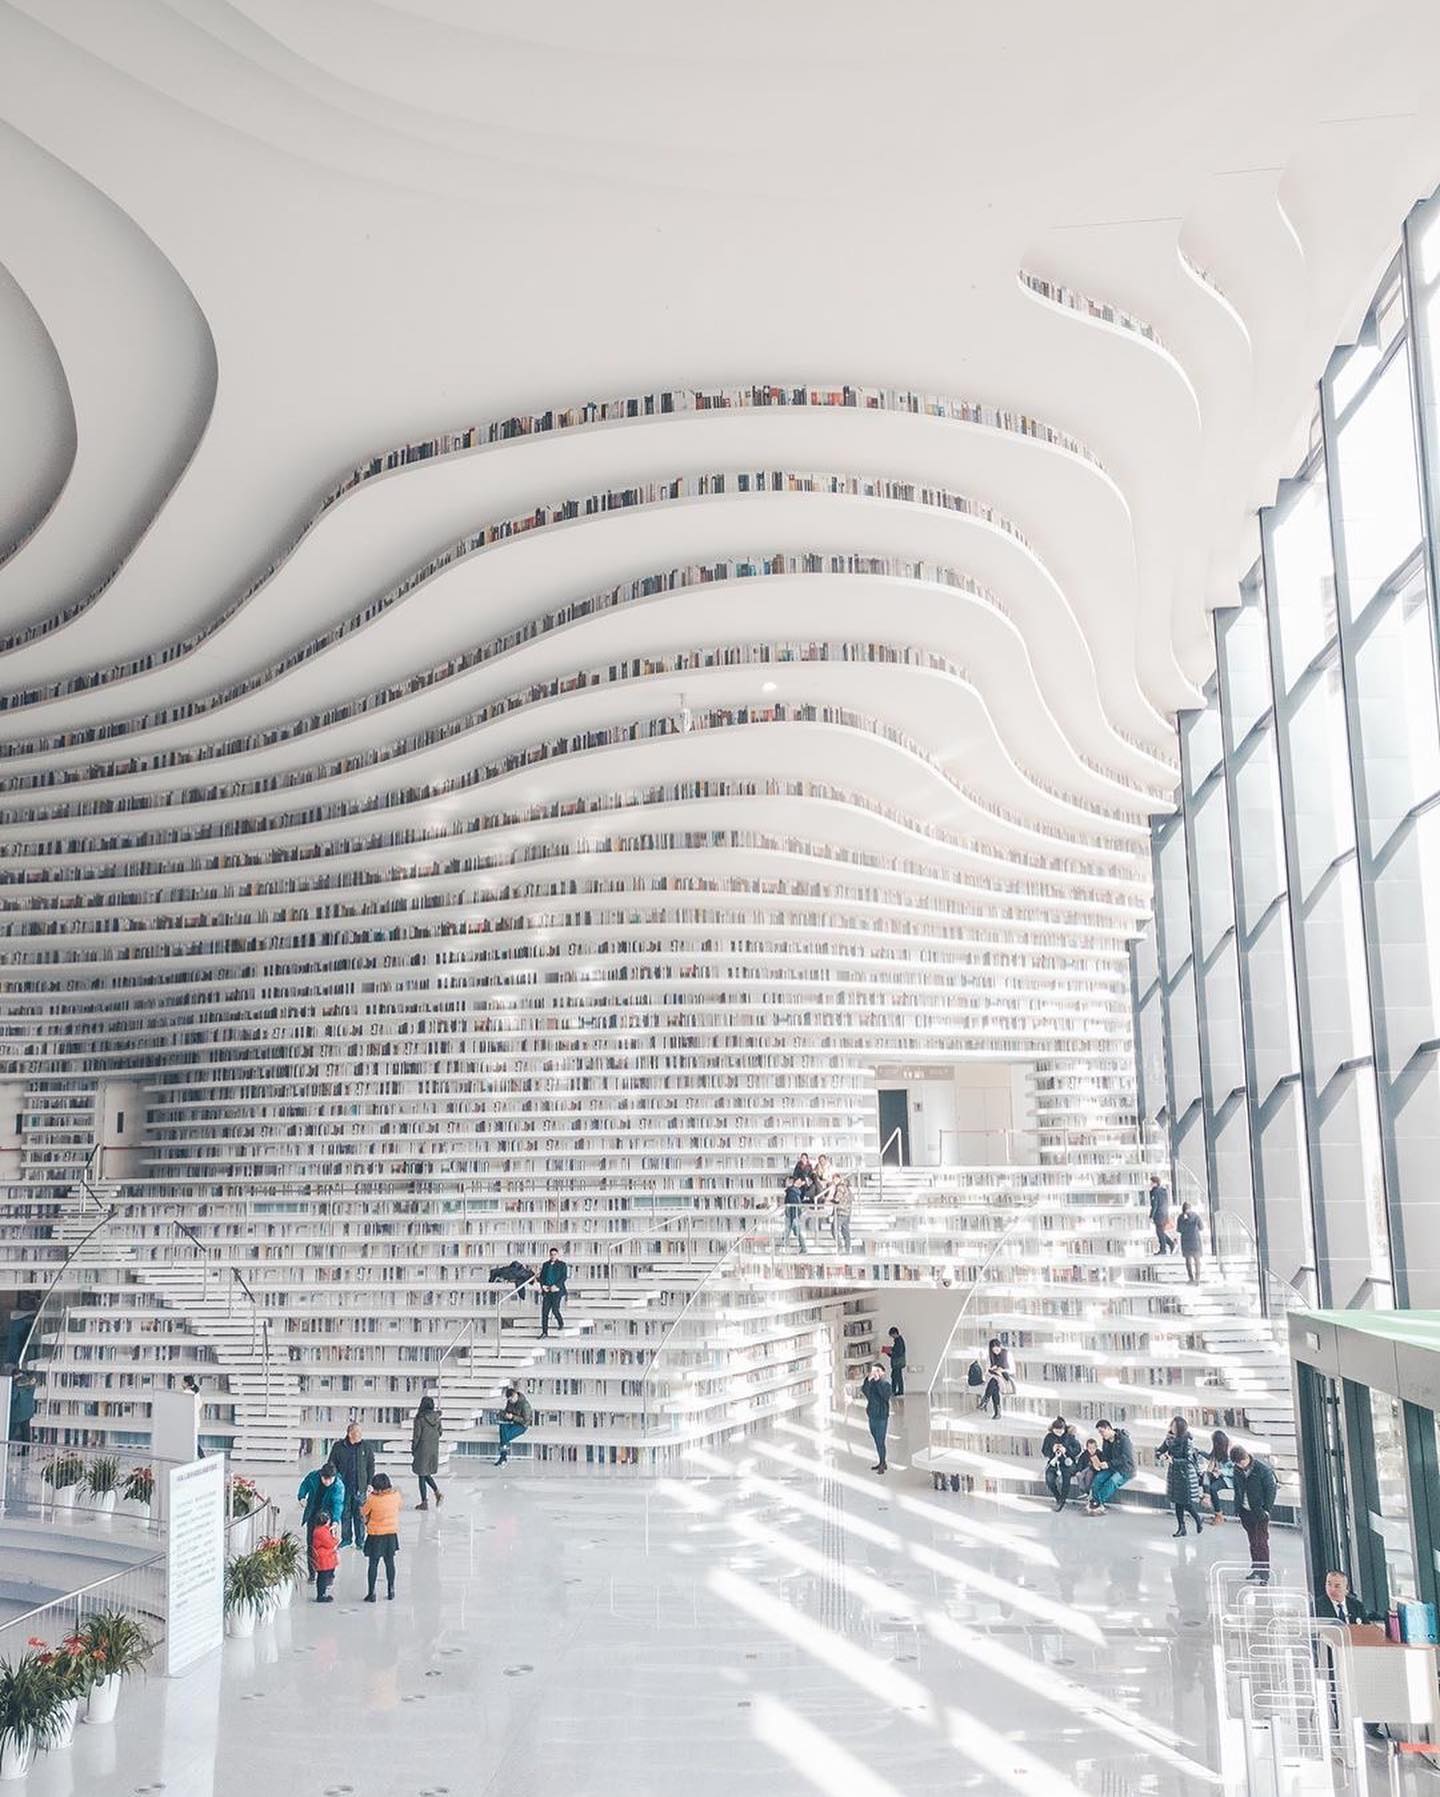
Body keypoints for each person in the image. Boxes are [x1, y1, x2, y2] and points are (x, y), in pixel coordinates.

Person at [1229, 1445, 1276, 1583]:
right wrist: (1238, 1507)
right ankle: (1256, 1568)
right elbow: (1237, 1488)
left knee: (1261, 1543)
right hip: (1245, 1511)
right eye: (1237, 1464)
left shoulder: (1262, 1470)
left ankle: (1265, 1573)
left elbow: (1271, 1490)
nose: (1240, 1466)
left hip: (1259, 1512)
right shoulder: (1237, 1470)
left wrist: (1266, 1510)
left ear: (1246, 1457)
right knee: (1252, 1542)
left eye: (1241, 1462)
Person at [1157, 1415, 1205, 1535]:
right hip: (1174, 1474)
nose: (1171, 1427)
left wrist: (1174, 1461)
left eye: (1174, 1426)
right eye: (1171, 1425)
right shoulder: (1169, 1438)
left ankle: (1198, 1519)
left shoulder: (1187, 1440)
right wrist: (1160, 1455)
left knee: (1186, 1502)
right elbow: (1160, 1450)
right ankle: (1181, 1528)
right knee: (1177, 1502)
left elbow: (1189, 1460)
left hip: (1186, 1475)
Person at [330, 1422, 376, 1548]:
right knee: (345, 1514)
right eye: (357, 1433)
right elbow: (332, 1464)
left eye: (361, 1433)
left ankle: (360, 1541)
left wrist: (370, 1483)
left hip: (360, 1487)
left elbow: (370, 1466)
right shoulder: (338, 1447)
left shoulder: (366, 1447)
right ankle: (346, 1539)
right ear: (350, 1434)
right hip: (343, 1487)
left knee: (360, 1515)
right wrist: (335, 1481)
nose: (360, 1435)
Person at [360, 1473, 403, 1602]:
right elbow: (399, 1505)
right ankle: (391, 1589)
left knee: (373, 1563)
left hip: (375, 1535)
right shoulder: (395, 1496)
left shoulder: (372, 1499)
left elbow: (363, 1512)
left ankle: (371, 1592)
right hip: (391, 1534)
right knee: (390, 1563)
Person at [1085, 1418, 1136, 1514]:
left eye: (1102, 1432)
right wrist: (1099, 1464)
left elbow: (1125, 1459)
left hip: (1125, 1469)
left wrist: (1108, 1464)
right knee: (1097, 1480)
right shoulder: (1106, 1441)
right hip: (1111, 1467)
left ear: (1108, 1428)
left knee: (1111, 1482)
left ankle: (1096, 1503)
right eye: (1099, 1432)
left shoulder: (1124, 1440)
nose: (1101, 1434)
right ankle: (1097, 1504)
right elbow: (1105, 1456)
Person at [1041, 1415, 1082, 1509]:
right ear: (1053, 1429)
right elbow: (1044, 1451)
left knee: (1066, 1479)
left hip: (1067, 1463)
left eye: (1061, 1430)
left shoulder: (1069, 1437)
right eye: (1056, 1430)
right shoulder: (1049, 1437)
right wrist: (1052, 1450)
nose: (1059, 1433)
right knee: (1049, 1479)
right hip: (1054, 1462)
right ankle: (1058, 1497)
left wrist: (1066, 1450)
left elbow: (1078, 1449)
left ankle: (1062, 1500)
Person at [859, 1362, 893, 1475]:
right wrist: (868, 1380)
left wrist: (878, 1381)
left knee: (880, 1440)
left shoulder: (886, 1384)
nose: (876, 1373)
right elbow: (865, 1391)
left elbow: (885, 1396)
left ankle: (882, 1463)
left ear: (883, 1372)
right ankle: (881, 1461)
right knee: (875, 1438)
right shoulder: (871, 1384)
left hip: (882, 1416)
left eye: (878, 1371)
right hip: (872, 1415)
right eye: (874, 1371)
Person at [412, 1394, 443, 1508]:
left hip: (422, 1449)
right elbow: (440, 1432)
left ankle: (424, 1501)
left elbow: (416, 1436)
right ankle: (437, 1493)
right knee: (425, 1474)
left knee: (421, 1474)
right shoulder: (437, 1418)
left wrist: (413, 1449)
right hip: (433, 1449)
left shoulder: (419, 1419)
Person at [496, 1384, 532, 1465]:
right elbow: (507, 1411)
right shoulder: (510, 1402)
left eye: (511, 1399)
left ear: (515, 1395)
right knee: (502, 1427)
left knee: (504, 1436)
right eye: (509, 1400)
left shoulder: (525, 1404)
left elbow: (526, 1420)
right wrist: (503, 1414)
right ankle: (503, 1457)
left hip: (522, 1425)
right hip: (512, 1422)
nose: (510, 1401)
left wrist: (513, 1417)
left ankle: (503, 1457)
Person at [979, 1337, 1013, 1420]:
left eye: (997, 1350)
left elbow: (1012, 1370)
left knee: (994, 1383)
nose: (996, 1352)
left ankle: (985, 1400)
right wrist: (992, 1368)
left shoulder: (1007, 1354)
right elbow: (987, 1371)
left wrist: (1001, 1369)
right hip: (994, 1376)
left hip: (1005, 1377)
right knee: (994, 1384)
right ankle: (997, 1412)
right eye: (993, 1351)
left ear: (1000, 1346)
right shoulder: (990, 1356)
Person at [1203, 1428, 1231, 1524]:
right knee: (1205, 1475)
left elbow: (1234, 1470)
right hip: (1219, 1475)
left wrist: (1221, 1471)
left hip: (1229, 1479)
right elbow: (1210, 1457)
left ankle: (1219, 1515)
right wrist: (1199, 1452)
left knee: (1213, 1488)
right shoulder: (1217, 1450)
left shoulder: (1230, 1452)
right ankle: (1206, 1497)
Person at [538, 1249, 568, 1338]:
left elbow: (564, 1277)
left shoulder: (562, 1265)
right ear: (549, 1255)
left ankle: (561, 1323)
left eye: (555, 1254)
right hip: (547, 1291)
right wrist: (543, 1286)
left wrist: (556, 1286)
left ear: (557, 1255)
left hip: (557, 1291)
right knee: (544, 1312)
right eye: (551, 1254)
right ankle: (544, 1332)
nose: (553, 1256)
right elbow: (542, 1277)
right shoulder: (545, 1265)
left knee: (555, 1309)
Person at [311, 1513, 340, 1602]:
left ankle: (322, 1593)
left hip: (321, 1557)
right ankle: (321, 1595)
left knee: (322, 1577)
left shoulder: (318, 1530)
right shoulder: (322, 1532)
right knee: (323, 1577)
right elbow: (330, 1543)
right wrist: (335, 1538)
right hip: (324, 1559)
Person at [1177, 1203, 1204, 1284]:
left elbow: (1179, 1229)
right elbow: (1201, 1227)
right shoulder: (1196, 1216)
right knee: (1197, 1260)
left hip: (1186, 1241)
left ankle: (1191, 1278)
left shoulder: (1180, 1217)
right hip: (1195, 1240)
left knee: (1188, 1261)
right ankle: (1197, 1278)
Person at [7, 1369, 36, 1443]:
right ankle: (26, 1452)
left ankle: (4, 1449)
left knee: (9, 1434)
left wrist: (13, 1385)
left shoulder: (16, 1385)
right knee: (26, 1433)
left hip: (16, 1413)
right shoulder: (29, 1382)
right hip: (27, 1412)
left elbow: (12, 1397)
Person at [1148, 1176, 1174, 1254]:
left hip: (1158, 1215)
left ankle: (1164, 1249)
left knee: (1160, 1232)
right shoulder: (1164, 1191)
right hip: (1164, 1214)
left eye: (1151, 1182)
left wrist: (1151, 1216)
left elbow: (1155, 1205)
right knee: (1161, 1231)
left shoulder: (1155, 1192)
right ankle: (1169, 1244)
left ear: (1155, 1183)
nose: (1150, 1184)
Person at [831, 1176, 854, 1251]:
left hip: (841, 1212)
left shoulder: (840, 1188)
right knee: (845, 1232)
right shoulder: (849, 1190)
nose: (833, 1181)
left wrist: (828, 1200)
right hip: (847, 1213)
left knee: (834, 1229)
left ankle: (840, 1247)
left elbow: (837, 1199)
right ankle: (848, 1248)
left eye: (834, 1179)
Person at [886, 1326, 908, 1398]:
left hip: (897, 1363)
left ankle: (895, 1391)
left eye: (892, 1335)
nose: (892, 1337)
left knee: (896, 1377)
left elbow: (897, 1353)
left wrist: (889, 1352)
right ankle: (896, 1391)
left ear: (895, 1333)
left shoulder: (898, 1341)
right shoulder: (899, 1341)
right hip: (898, 1363)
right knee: (896, 1377)